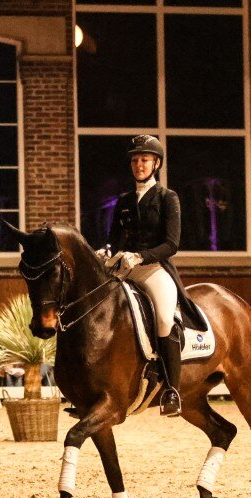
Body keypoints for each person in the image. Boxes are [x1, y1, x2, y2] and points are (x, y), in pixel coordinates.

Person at [100, 135, 205, 417]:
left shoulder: (167, 198)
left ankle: (172, 389)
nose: (139, 164)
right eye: (135, 160)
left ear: (156, 163)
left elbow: (171, 244)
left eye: (144, 159)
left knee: (163, 318)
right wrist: (105, 250)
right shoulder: (123, 201)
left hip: (153, 269)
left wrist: (141, 256)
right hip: (123, 267)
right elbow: (114, 239)